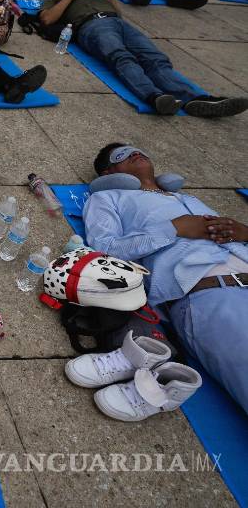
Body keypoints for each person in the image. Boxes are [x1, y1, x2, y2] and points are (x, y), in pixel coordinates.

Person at [84, 143, 248, 412]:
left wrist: (244, 233)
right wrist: (172, 228)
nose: (135, 152)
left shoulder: (186, 198)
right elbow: (106, 249)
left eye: (137, 149)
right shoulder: (108, 197)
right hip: (212, 293)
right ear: (108, 173)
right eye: (122, 154)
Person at [38, 0, 247, 117]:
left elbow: (119, 14)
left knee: (156, 59)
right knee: (121, 56)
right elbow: (47, 19)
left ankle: (195, 99)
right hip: (91, 25)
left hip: (119, 23)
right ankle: (154, 96)